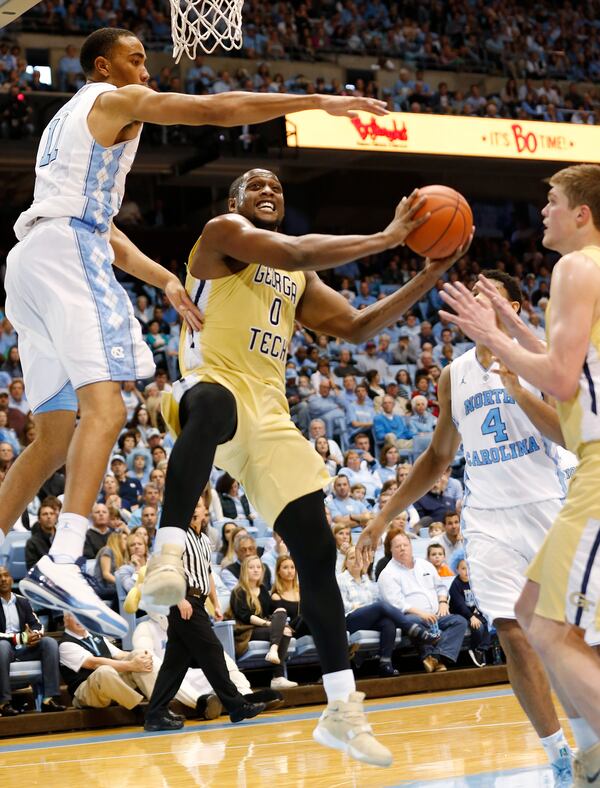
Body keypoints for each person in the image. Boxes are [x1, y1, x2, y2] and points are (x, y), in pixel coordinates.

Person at [7, 27, 388, 640]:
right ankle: (63, 559)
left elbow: (98, 225)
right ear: (104, 66)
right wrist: (318, 102)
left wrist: (164, 280)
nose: (146, 70)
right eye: (136, 60)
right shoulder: (113, 98)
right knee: (108, 405)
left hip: (29, 261)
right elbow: (216, 110)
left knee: (51, 440)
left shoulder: (67, 125)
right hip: (67, 253)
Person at [156, 166, 471, 766]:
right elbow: (293, 246)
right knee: (215, 401)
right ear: (235, 200)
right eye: (256, 185)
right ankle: (167, 551)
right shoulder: (222, 235)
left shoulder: (296, 277)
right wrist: (388, 237)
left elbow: (354, 326)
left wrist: (428, 273)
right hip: (207, 387)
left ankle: (342, 709)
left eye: (277, 185)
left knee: (317, 554)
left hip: (270, 417)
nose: (269, 190)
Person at [358, 269, 578, 785]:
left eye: (489, 297)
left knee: (573, 639)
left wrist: (515, 388)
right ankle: (557, 755)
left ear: (516, 310)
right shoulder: (452, 375)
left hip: (549, 506)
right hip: (486, 520)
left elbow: (569, 435)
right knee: (511, 633)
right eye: (471, 298)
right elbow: (437, 457)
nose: (476, 305)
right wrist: (383, 516)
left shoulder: (541, 358)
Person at [438, 165, 600, 785]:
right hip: (581, 460)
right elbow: (572, 388)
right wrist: (511, 329)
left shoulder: (574, 267)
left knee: (553, 634)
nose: (543, 211)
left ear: (581, 213)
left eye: (553, 201)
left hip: (587, 474)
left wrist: (491, 337)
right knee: (533, 615)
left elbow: (558, 382)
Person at [144, 499, 267, 730]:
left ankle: (155, 714)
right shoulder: (177, 536)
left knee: (175, 663)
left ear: (204, 511)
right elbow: (165, 569)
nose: (193, 508)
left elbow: (207, 571)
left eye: (197, 505)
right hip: (183, 600)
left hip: (198, 602)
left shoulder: (204, 539)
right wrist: (178, 598)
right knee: (211, 650)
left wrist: (215, 602)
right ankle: (236, 705)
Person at [338, 546, 440, 677]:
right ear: (346, 562)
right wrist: (359, 607)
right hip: (349, 620)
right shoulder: (341, 579)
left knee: (388, 622)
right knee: (381, 606)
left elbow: (376, 602)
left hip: (369, 618)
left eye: (359, 558)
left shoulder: (367, 581)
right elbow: (341, 606)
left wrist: (369, 609)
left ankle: (385, 665)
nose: (356, 561)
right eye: (352, 558)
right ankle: (416, 630)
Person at [377, 532, 468, 673]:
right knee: (413, 621)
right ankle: (431, 656)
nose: (402, 548)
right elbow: (396, 604)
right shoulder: (387, 574)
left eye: (405, 545)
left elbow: (441, 587)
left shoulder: (425, 565)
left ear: (411, 546)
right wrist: (421, 613)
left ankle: (435, 657)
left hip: (436, 615)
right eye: (398, 546)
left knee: (459, 621)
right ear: (390, 549)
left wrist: (443, 602)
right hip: (410, 617)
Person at [0, 566, 66, 715]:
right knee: (2, 646)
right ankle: (4, 703)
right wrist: (22, 638)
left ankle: (49, 699)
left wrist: (34, 635)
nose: (3, 579)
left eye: (6, 575)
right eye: (0, 577)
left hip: (24, 649)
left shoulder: (22, 601)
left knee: (49, 643)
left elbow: (37, 624)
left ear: (11, 579)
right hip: (4, 650)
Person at [59, 611, 156, 710]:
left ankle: (159, 704)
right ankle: (137, 708)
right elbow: (94, 664)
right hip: (86, 694)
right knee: (104, 670)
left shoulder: (96, 636)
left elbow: (121, 654)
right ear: (65, 620)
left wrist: (142, 656)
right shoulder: (65, 644)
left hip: (110, 686)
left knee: (138, 654)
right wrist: (131, 665)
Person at [229, 555, 298, 690]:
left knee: (282, 614)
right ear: (244, 570)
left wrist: (277, 617)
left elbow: (275, 613)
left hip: (266, 628)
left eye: (258, 567)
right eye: (251, 567)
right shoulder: (238, 591)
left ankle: (273, 650)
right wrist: (268, 624)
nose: (256, 570)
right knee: (284, 631)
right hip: (248, 630)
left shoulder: (264, 591)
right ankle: (278, 677)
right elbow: (246, 616)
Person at [449, 554, 491, 667]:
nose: (466, 571)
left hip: (472, 613)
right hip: (460, 614)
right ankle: (474, 648)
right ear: (457, 569)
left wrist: (478, 611)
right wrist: (471, 617)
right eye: (463, 568)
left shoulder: (474, 582)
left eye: (468, 567)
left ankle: (481, 650)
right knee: (478, 626)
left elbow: (480, 599)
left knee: (486, 622)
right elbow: (460, 605)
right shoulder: (455, 585)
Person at [271, 554, 311, 638]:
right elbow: (280, 621)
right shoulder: (276, 596)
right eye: (285, 568)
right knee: (307, 616)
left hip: (306, 626)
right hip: (289, 630)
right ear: (278, 571)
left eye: (292, 567)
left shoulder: (302, 591)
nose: (290, 571)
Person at [25, 502, 57, 569]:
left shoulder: (62, 538)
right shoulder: (32, 543)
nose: (49, 516)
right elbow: (32, 568)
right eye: (45, 514)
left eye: (52, 514)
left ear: (56, 518)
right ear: (39, 519)